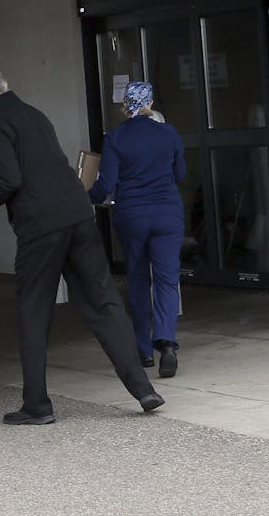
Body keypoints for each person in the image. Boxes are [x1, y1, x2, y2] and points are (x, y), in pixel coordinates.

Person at [0, 65, 164, 424]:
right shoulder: (33, 113)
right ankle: (143, 389)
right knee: (104, 302)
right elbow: (35, 169)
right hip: (77, 213)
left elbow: (11, 180)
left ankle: (37, 405)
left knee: (33, 311)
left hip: (41, 226)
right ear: (5, 87)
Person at [89, 81, 186, 378]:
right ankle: (167, 343)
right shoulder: (168, 133)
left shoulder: (116, 138)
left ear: (124, 106)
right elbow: (180, 173)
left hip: (132, 216)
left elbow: (106, 185)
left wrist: (86, 199)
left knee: (139, 280)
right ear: (151, 103)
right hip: (167, 214)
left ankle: (143, 351)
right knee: (168, 281)